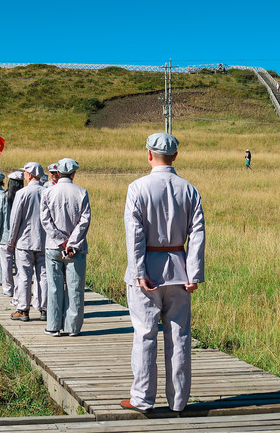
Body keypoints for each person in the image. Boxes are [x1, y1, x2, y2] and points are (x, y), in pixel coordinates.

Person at [121, 132, 205, 414]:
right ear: (175, 156)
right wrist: (193, 274)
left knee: (145, 334)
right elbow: (198, 234)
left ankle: (142, 398)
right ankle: (179, 400)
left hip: (148, 272)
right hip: (179, 271)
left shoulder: (138, 187)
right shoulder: (189, 189)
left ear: (148, 154)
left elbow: (135, 235)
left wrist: (138, 271)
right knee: (179, 336)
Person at [40, 158, 91, 337]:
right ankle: (73, 327)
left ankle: (53, 325)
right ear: (74, 173)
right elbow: (84, 221)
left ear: (58, 172)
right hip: (76, 248)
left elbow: (45, 220)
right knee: (75, 288)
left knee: (54, 287)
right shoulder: (81, 192)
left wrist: (60, 239)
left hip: (54, 246)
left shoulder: (48, 192)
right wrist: (71, 242)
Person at [8, 162, 47, 322]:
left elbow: (15, 218)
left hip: (24, 241)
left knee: (24, 275)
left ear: (29, 175)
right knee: (43, 275)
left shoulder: (22, 193)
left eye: (25, 173)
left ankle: (23, 309)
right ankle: (44, 308)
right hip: (44, 240)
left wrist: (11, 240)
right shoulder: (47, 191)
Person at [0, 171, 25, 297]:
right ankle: (19, 292)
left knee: (6, 265)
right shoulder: (24, 195)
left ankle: (8, 288)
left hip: (5, 236)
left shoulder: (4, 196)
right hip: (21, 237)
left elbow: (0, 218)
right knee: (21, 268)